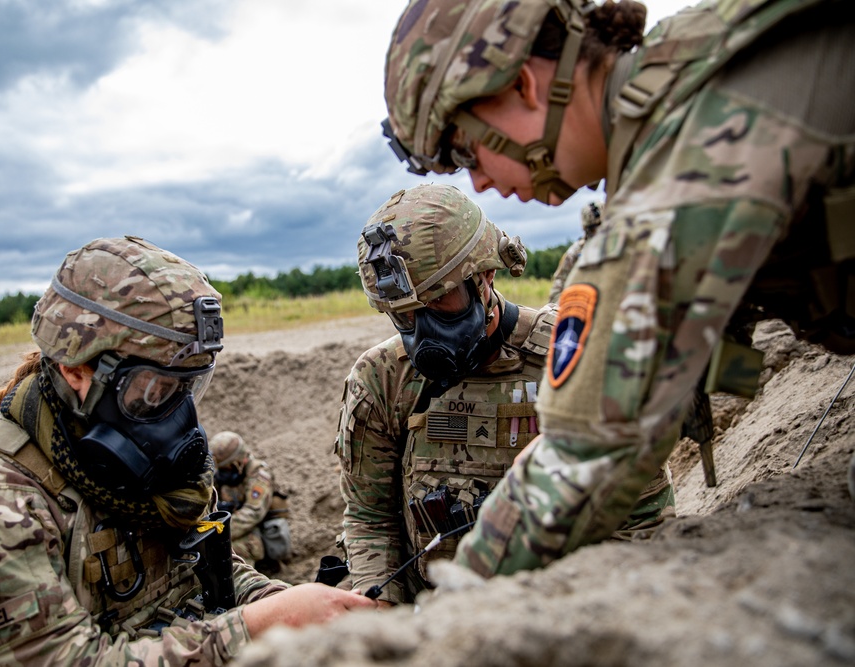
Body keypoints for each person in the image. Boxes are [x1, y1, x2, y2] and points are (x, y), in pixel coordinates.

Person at [380, 0, 855, 576]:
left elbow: (588, 451)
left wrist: (451, 613)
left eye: (463, 149)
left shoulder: (687, 162)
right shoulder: (686, 84)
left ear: (526, 86)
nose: (476, 179)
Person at [0, 236, 375, 666]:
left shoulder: (124, 457)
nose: (178, 415)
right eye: (157, 389)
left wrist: (290, 606)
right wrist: (255, 627)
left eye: (190, 388)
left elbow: (200, 568)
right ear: (77, 371)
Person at [335, 183, 674, 604]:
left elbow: (639, 521)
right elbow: (370, 518)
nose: (423, 333)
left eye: (440, 299)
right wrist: (381, 613)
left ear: (485, 275)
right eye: (403, 314)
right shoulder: (383, 380)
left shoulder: (576, 357)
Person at [211, 431, 291, 569]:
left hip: (256, 532)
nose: (223, 472)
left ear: (239, 462)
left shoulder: (259, 475)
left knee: (229, 548)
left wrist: (220, 531)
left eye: (226, 467)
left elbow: (253, 513)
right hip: (236, 523)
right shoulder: (225, 475)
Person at [547, 200, 603, 304]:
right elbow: (557, 290)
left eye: (601, 227)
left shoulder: (619, 248)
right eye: (593, 229)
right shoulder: (575, 253)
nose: (597, 233)